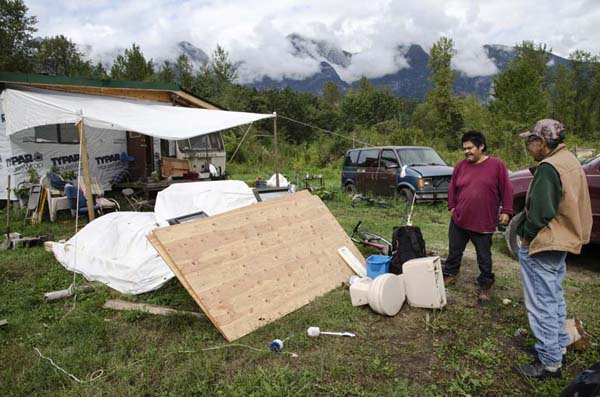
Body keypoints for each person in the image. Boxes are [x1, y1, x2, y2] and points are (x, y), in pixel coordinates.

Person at [513, 119, 592, 379]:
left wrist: (527, 237)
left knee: (541, 304)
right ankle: (558, 347)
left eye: (531, 140)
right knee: (554, 297)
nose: (529, 145)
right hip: (562, 240)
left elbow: (541, 211)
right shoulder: (569, 160)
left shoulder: (549, 167)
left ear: (543, 143)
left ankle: (548, 364)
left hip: (545, 243)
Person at [442, 131, 513, 301]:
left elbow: (507, 188)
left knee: (484, 257)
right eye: (464, 148)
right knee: (454, 251)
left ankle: (485, 285)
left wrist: (507, 211)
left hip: (483, 221)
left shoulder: (497, 165)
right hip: (460, 219)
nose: (467, 152)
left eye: (470, 148)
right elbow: (453, 188)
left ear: (481, 146)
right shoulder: (460, 166)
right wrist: (452, 206)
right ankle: (451, 273)